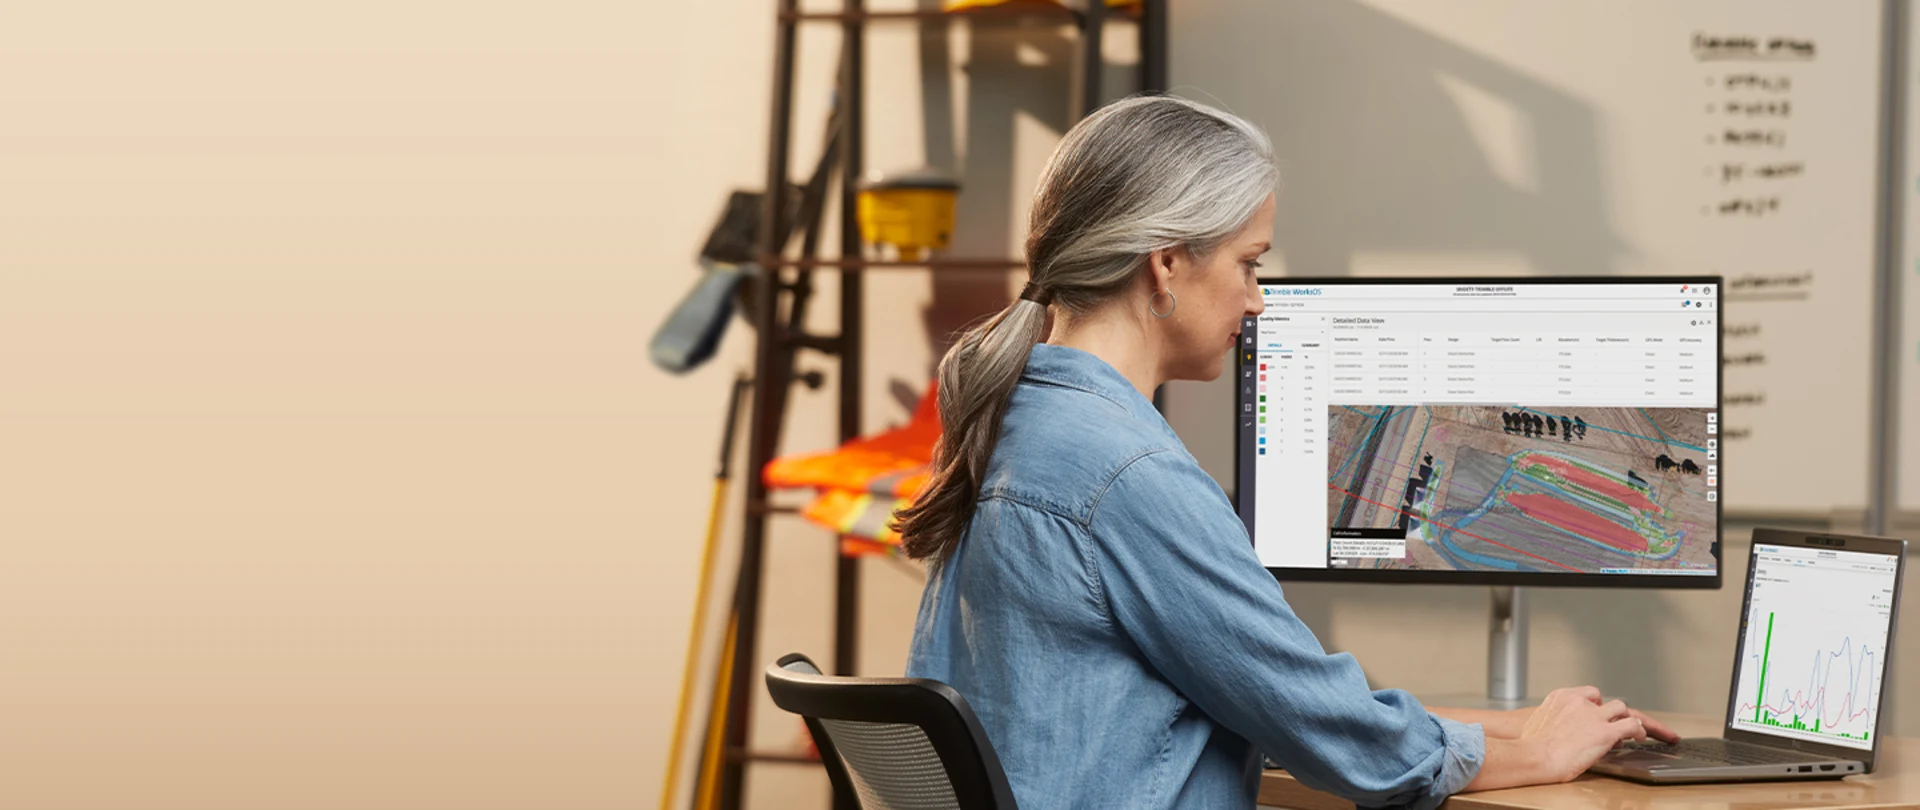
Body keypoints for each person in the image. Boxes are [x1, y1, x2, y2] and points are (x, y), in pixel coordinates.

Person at [892, 95, 1678, 810]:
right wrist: (1539, 751)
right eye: (1249, 262)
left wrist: (1501, 731)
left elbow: (1241, 698)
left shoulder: (1013, 425)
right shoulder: (1128, 475)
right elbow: (1330, 734)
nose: (1258, 299)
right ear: (1166, 264)